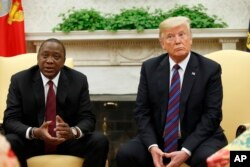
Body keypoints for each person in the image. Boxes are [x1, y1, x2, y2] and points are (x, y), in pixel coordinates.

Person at [116, 16, 228, 167]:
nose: (177, 41)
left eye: (182, 35)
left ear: (190, 39)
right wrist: (152, 146)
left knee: (206, 159)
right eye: (170, 36)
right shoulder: (150, 68)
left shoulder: (210, 69)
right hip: (159, 139)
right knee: (126, 154)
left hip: (200, 139)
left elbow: (212, 115)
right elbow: (142, 112)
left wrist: (186, 150)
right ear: (162, 44)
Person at [3, 38, 109, 167]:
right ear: (38, 58)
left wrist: (72, 132)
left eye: (56, 57)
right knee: (10, 141)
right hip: (33, 141)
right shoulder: (20, 80)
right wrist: (35, 132)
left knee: (100, 141)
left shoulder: (78, 80)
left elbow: (88, 118)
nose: (49, 61)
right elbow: (10, 120)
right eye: (45, 55)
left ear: (64, 61)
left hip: (66, 141)